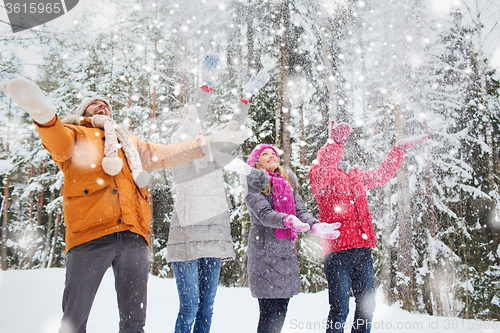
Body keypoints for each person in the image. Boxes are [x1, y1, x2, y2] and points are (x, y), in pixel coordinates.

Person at [1, 77, 251, 333]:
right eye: (94, 104)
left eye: (105, 105)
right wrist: (42, 113)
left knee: (134, 323)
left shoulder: (128, 143)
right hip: (89, 236)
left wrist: (209, 144)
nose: (102, 107)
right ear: (83, 113)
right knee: (74, 321)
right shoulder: (76, 135)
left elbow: (168, 154)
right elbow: (56, 140)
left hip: (133, 236)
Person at [167, 53, 270, 333]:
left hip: (214, 237)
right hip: (187, 238)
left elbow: (232, 130)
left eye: (202, 132)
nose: (200, 133)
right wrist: (206, 87)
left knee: (206, 307)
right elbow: (192, 119)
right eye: (195, 132)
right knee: (189, 306)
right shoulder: (179, 155)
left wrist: (245, 99)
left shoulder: (215, 156)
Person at [309, 121, 427, 333]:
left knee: (367, 307)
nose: (338, 155)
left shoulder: (356, 177)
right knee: (340, 309)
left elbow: (382, 174)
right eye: (332, 153)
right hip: (337, 253)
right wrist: (335, 142)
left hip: (362, 251)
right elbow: (326, 166)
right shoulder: (320, 176)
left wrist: (398, 150)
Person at [244, 144, 341, 333]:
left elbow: (301, 212)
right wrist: (287, 220)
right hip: (264, 255)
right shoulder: (253, 184)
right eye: (265, 154)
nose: (271, 156)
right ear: (256, 163)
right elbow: (264, 214)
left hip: (285, 254)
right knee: (269, 315)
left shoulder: (287, 183)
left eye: (273, 153)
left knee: (281, 313)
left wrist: (314, 225)